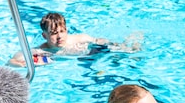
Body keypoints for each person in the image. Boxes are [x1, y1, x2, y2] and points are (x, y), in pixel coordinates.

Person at [9, 12, 140, 66]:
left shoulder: (79, 39)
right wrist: (19, 64)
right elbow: (11, 61)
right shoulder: (42, 50)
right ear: (45, 36)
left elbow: (100, 41)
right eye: (54, 33)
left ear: (66, 30)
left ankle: (132, 43)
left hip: (92, 52)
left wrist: (119, 46)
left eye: (62, 31)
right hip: (84, 59)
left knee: (121, 52)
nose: (59, 37)